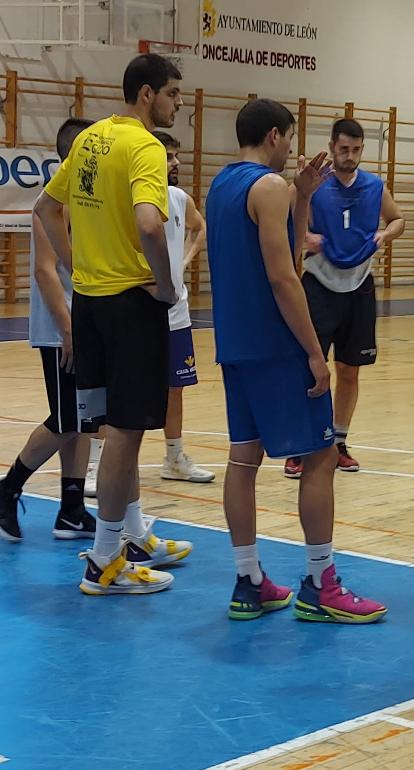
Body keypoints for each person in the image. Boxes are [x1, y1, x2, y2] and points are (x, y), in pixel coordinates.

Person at [207, 98, 387, 623]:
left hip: (235, 344)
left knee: (243, 461)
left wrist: (304, 198)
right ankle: (321, 582)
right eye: (289, 138)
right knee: (320, 457)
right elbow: (286, 274)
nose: (291, 149)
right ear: (273, 136)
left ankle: (249, 581)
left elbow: (294, 247)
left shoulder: (222, 185)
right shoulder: (268, 187)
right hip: (276, 344)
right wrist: (314, 351)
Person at [34, 53, 196, 595]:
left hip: (91, 303)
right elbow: (150, 223)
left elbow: (45, 208)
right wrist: (168, 284)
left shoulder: (90, 138)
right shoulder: (145, 146)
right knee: (126, 434)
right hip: (131, 304)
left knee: (112, 429)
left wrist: (78, 264)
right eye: (173, 94)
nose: (178, 104)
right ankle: (105, 560)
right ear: (147, 94)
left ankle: (129, 536)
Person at [282, 118, 406, 479]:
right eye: (343, 149)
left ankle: (338, 443)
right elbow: (288, 221)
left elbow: (399, 219)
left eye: (355, 150)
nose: (349, 156)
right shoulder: (314, 184)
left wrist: (386, 234)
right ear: (332, 147)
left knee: (349, 372)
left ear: (361, 150)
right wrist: (307, 238)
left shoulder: (373, 185)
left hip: (360, 287)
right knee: (311, 371)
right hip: (319, 285)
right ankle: (301, 446)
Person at [0, 117, 97, 542]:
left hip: (87, 322)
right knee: (64, 418)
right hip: (61, 327)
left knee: (83, 419)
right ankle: (7, 489)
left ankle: (72, 509)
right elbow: (44, 271)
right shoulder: (50, 199)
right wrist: (68, 329)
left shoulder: (84, 196)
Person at [150, 131, 214, 484]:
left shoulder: (179, 198)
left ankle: (174, 458)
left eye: (176, 156)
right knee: (121, 389)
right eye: (169, 156)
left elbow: (199, 227)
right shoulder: (129, 197)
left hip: (176, 311)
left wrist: (185, 260)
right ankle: (99, 464)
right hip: (137, 312)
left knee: (175, 388)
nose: (176, 163)